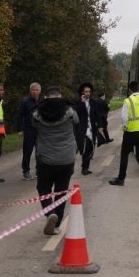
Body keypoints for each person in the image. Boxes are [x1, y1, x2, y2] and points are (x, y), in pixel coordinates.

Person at [32, 86, 79, 235]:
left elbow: (34, 128)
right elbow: (77, 123)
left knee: (43, 188)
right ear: (60, 96)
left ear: (45, 97)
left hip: (45, 159)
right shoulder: (70, 113)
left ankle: (49, 213)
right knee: (61, 191)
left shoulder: (37, 114)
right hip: (66, 158)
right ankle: (57, 223)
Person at [109, 80, 139, 188]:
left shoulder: (128, 101)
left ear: (130, 89)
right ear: (138, 88)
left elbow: (124, 118)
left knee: (124, 154)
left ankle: (121, 179)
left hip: (131, 132)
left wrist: (125, 128)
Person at [74, 82, 103, 176]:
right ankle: (84, 168)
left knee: (91, 148)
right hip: (83, 129)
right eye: (86, 91)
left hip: (92, 129)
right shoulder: (78, 102)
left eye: (89, 92)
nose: (88, 93)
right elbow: (76, 113)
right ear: (82, 92)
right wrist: (82, 103)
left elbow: (98, 114)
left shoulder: (93, 102)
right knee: (85, 148)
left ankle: (85, 166)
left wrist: (100, 126)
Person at [17, 82, 42, 180]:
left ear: (40, 91)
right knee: (27, 151)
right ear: (30, 91)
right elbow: (20, 116)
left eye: (37, 90)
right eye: (33, 90)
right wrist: (20, 129)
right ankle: (26, 170)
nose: (35, 92)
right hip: (28, 129)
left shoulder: (43, 101)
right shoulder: (25, 101)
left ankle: (39, 170)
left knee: (40, 151)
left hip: (40, 130)